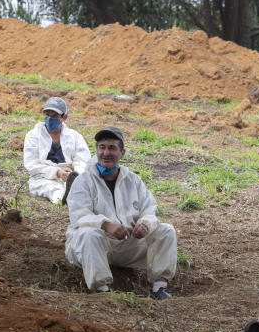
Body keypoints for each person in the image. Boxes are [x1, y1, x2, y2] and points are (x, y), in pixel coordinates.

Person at [64, 127, 177, 299]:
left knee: (166, 231)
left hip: (126, 246)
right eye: (102, 147)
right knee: (89, 234)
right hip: (95, 247)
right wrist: (106, 225)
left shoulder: (133, 180)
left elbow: (149, 209)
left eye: (112, 148)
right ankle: (101, 290)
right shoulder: (83, 180)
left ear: (122, 153)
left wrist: (144, 226)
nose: (106, 153)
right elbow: (79, 215)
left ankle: (159, 287)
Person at [23, 96, 91, 205]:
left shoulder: (75, 137)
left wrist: (75, 174)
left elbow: (83, 160)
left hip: (70, 176)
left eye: (54, 116)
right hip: (43, 177)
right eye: (47, 115)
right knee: (52, 189)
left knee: (82, 186)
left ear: (65, 117)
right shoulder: (33, 135)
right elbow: (31, 164)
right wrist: (57, 172)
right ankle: (63, 200)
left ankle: (74, 192)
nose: (49, 119)